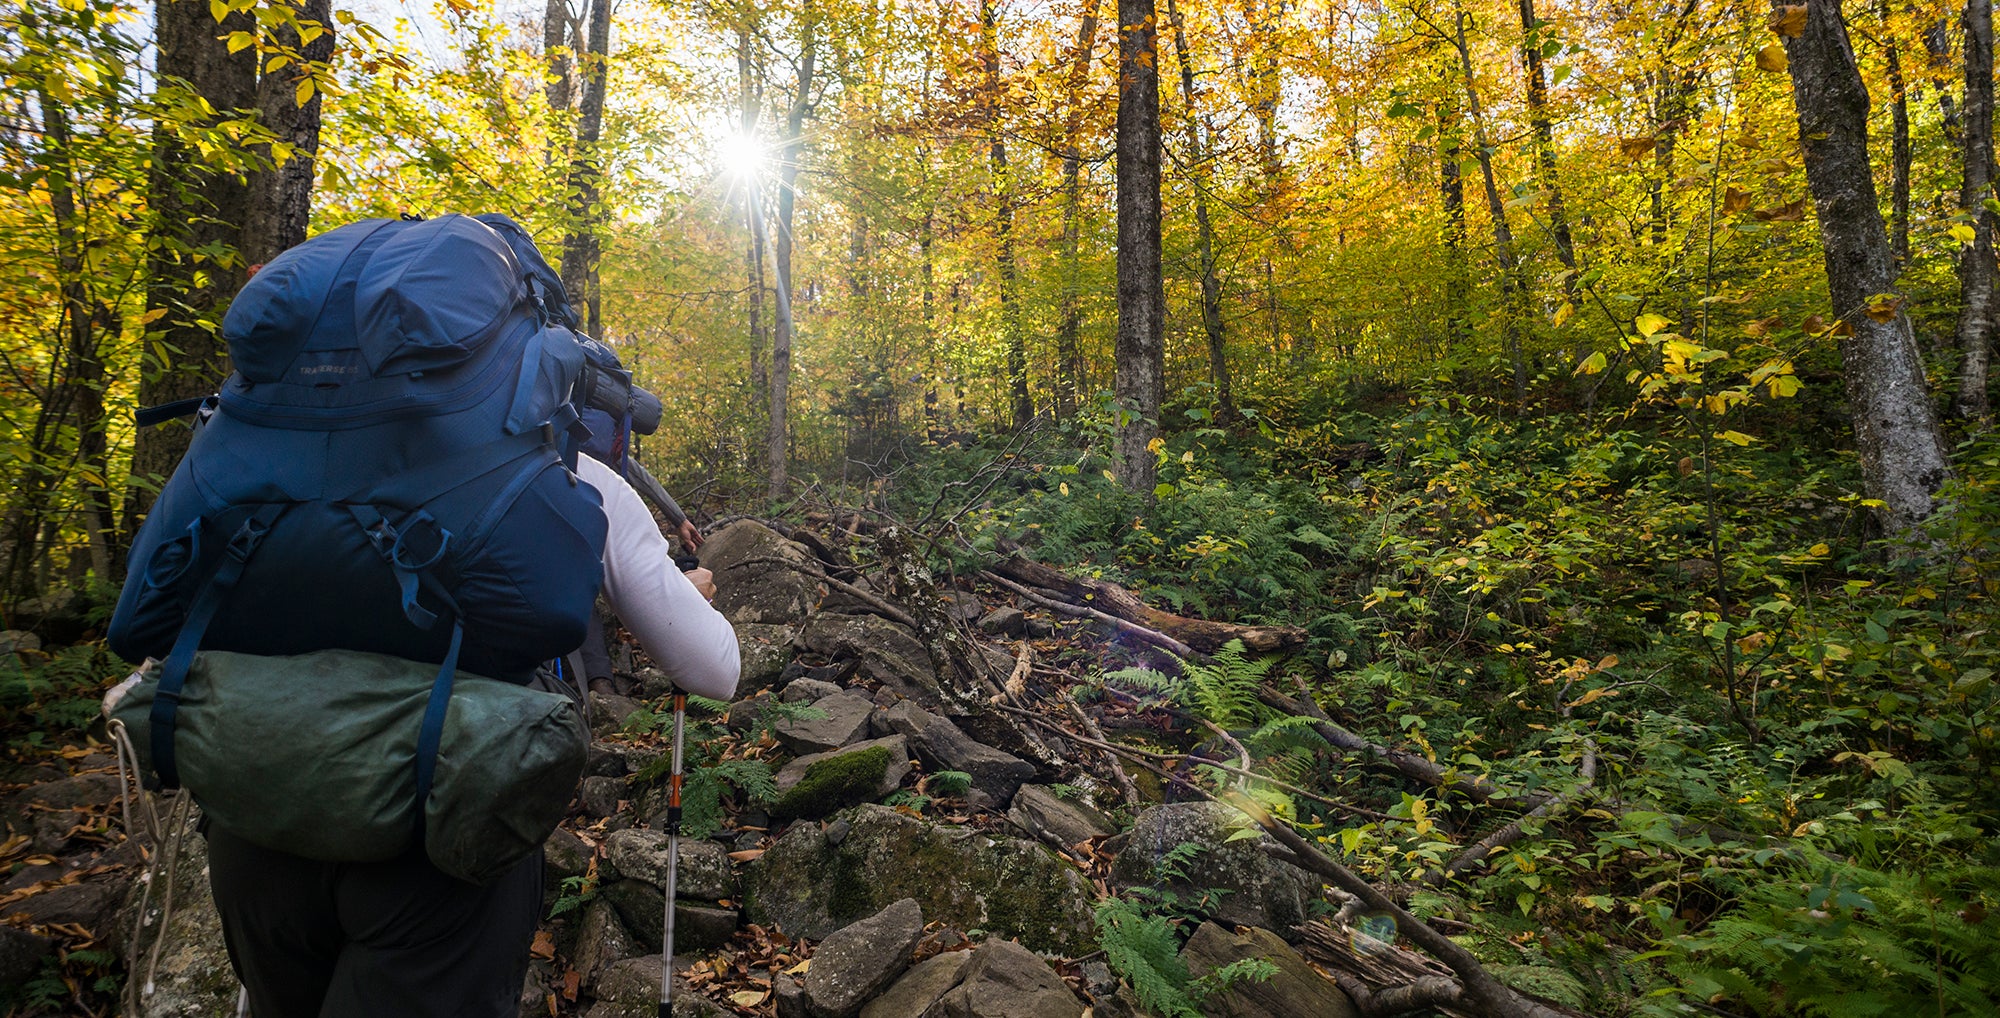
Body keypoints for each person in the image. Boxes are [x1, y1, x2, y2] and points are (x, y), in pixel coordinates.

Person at [203, 456, 739, 1018]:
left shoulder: (287, 438)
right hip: (442, 825)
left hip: (259, 808)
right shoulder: (563, 465)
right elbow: (714, 669)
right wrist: (686, 591)